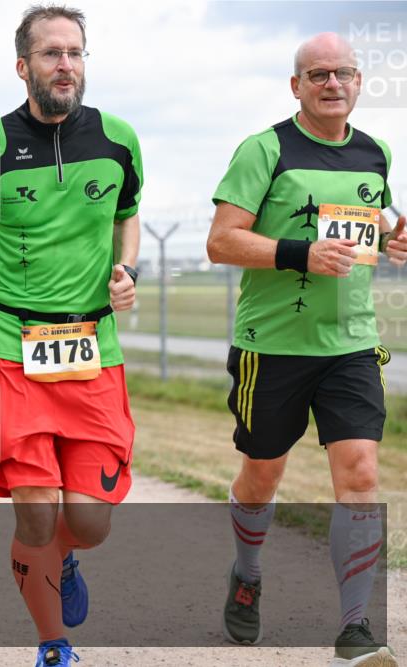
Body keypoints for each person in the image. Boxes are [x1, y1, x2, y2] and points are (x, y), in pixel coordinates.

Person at [0, 6, 142, 665]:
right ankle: (53, 643)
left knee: (87, 521)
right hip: (9, 348)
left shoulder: (120, 140)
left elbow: (129, 215)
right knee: (35, 514)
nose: (66, 65)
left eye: (76, 53)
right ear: (24, 66)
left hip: (93, 352)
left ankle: (70, 556)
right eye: (51, 54)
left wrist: (127, 269)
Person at [206, 32, 404, 665]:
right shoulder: (265, 149)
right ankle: (247, 573)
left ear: (358, 83)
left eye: (343, 72)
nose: (331, 83)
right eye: (317, 74)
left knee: (361, 474)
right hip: (273, 347)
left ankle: (355, 627)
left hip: (351, 344)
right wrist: (299, 253)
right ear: (297, 86)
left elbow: (375, 218)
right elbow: (221, 241)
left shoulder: (376, 154)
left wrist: (397, 233)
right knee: (263, 475)